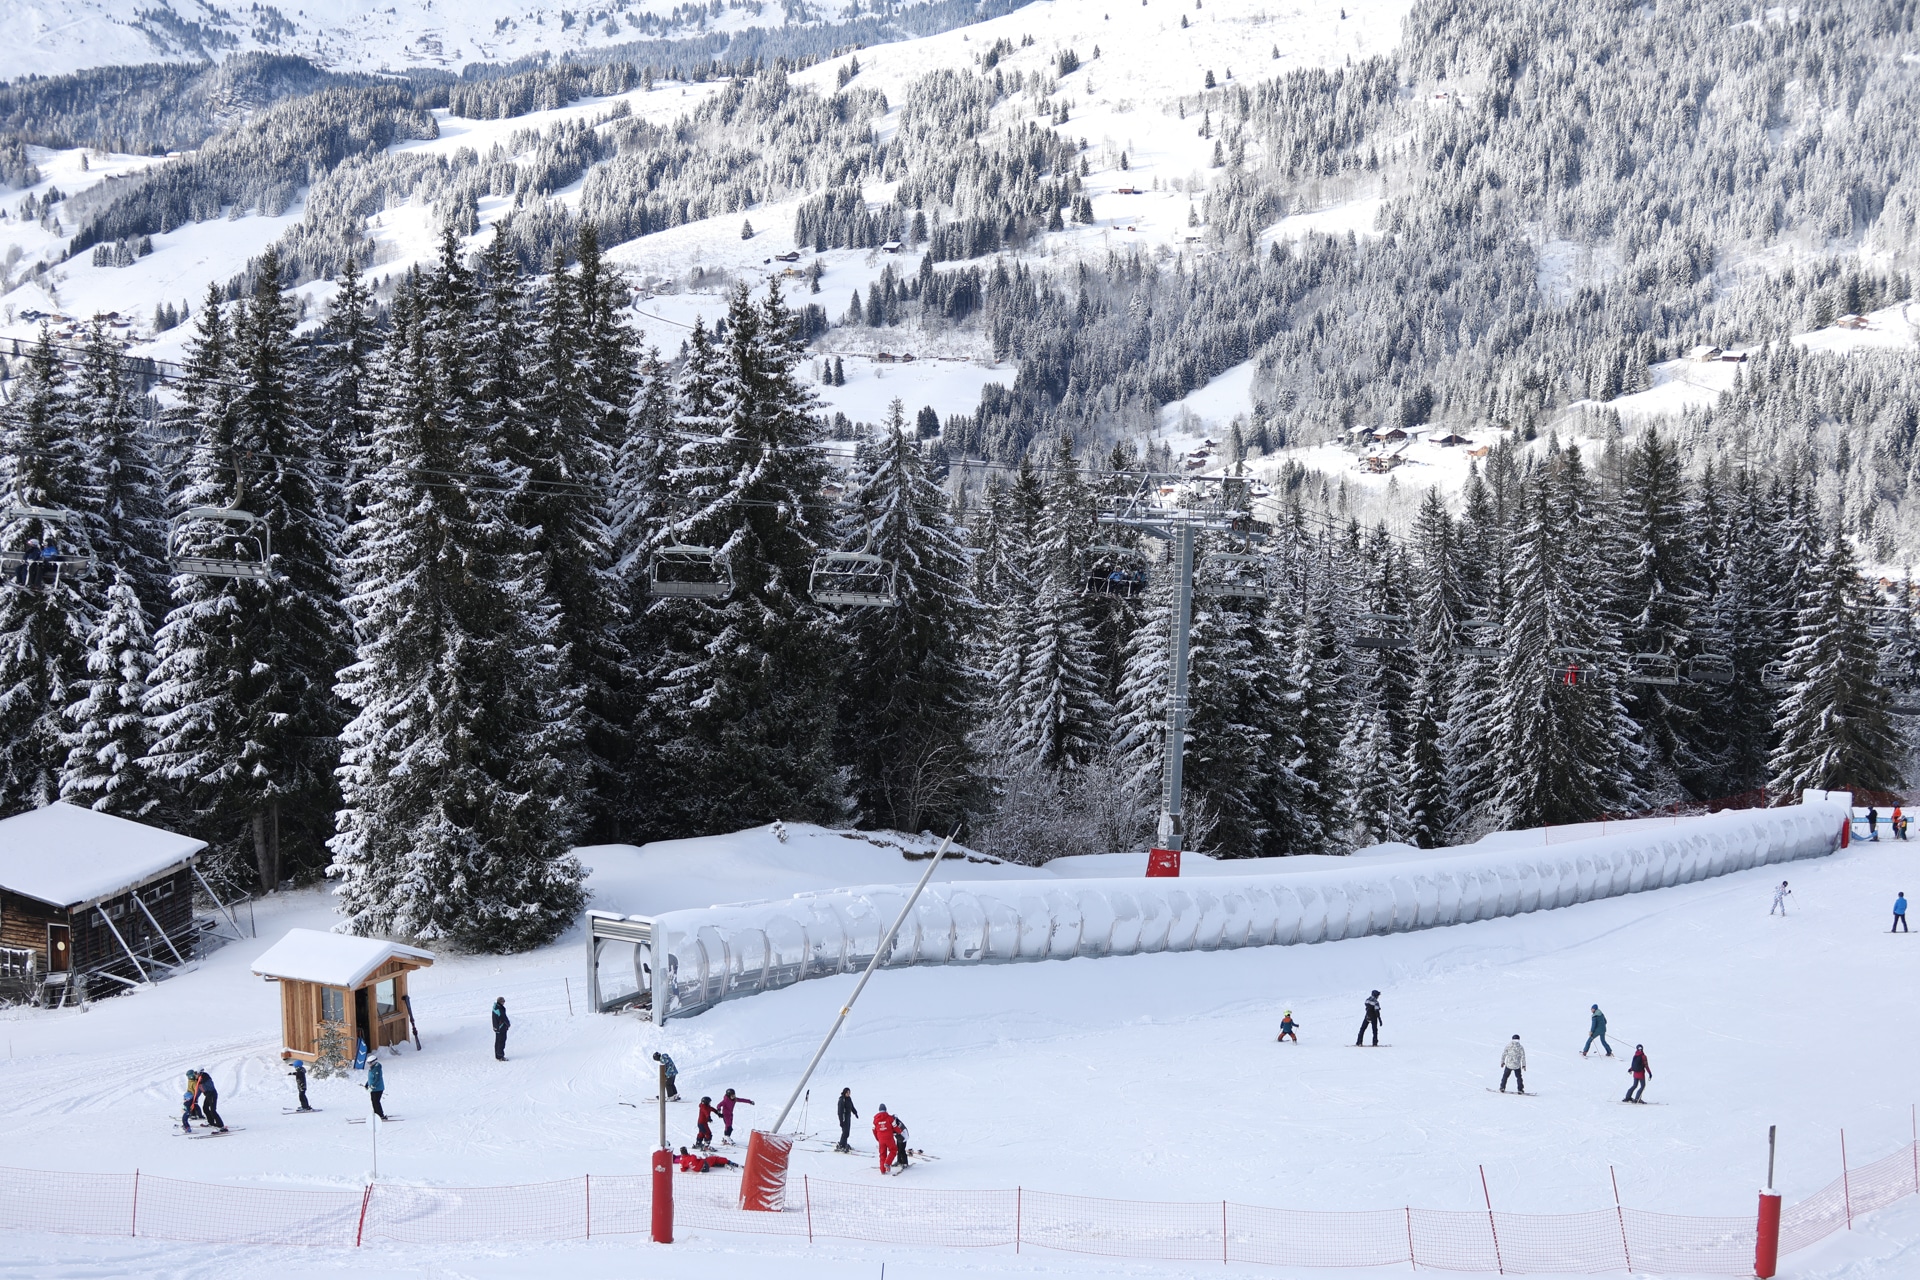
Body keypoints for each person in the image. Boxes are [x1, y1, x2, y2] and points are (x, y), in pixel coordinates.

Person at [873, 1104, 898, 1173]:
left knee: (882, 1154)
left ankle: (882, 1170)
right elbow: (895, 1127)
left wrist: (878, 1138)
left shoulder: (875, 1120)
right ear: (886, 1109)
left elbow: (874, 1130)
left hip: (881, 1139)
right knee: (893, 1150)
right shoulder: (890, 1118)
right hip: (889, 1138)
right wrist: (900, 1132)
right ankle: (887, 1163)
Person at [836, 1087, 858, 1152]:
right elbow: (840, 1111)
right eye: (847, 1093)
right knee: (845, 1131)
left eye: (849, 1093)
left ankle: (844, 1143)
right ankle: (841, 1144)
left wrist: (855, 1112)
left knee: (847, 1132)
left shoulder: (849, 1099)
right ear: (845, 1093)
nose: (849, 1094)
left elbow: (851, 1106)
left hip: (848, 1116)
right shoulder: (842, 1100)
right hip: (843, 1116)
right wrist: (841, 1121)